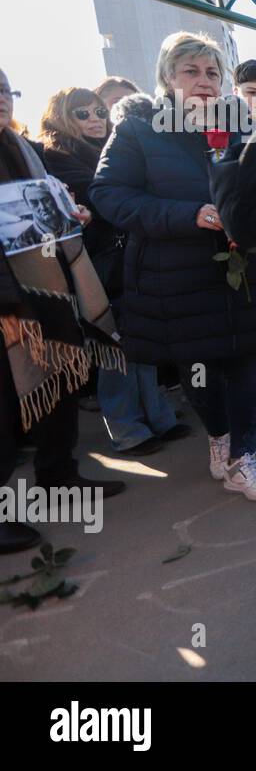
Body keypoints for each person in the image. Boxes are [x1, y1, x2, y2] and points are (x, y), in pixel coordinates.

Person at [91, 31, 256, 502]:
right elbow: (109, 194)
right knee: (203, 369)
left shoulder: (242, 126)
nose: (204, 81)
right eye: (190, 71)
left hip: (246, 270)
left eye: (213, 72)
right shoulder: (140, 129)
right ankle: (218, 436)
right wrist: (187, 215)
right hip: (177, 278)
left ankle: (243, 456)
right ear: (167, 79)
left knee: (252, 354)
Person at [1, 68, 126, 555]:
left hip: (47, 289)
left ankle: (60, 478)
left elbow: (45, 208)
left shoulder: (22, 149)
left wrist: (73, 214)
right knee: (8, 404)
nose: (1, 101)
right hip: (6, 300)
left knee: (59, 382)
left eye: (5, 90)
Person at [38, 89, 187, 455]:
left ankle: (158, 416)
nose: (94, 118)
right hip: (96, 264)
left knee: (142, 338)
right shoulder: (56, 158)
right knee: (112, 344)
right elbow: (104, 198)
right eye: (82, 112)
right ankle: (126, 429)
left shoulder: (115, 148)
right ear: (62, 118)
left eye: (99, 111)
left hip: (132, 256)